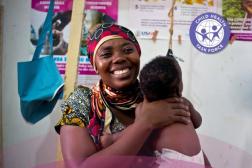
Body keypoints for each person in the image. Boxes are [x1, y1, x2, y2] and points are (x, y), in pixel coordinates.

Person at [55, 23, 193, 168]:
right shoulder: (81, 100)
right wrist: (145, 124)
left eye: (128, 50)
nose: (119, 58)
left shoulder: (156, 94)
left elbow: (186, 150)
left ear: (138, 54)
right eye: (106, 54)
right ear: (95, 64)